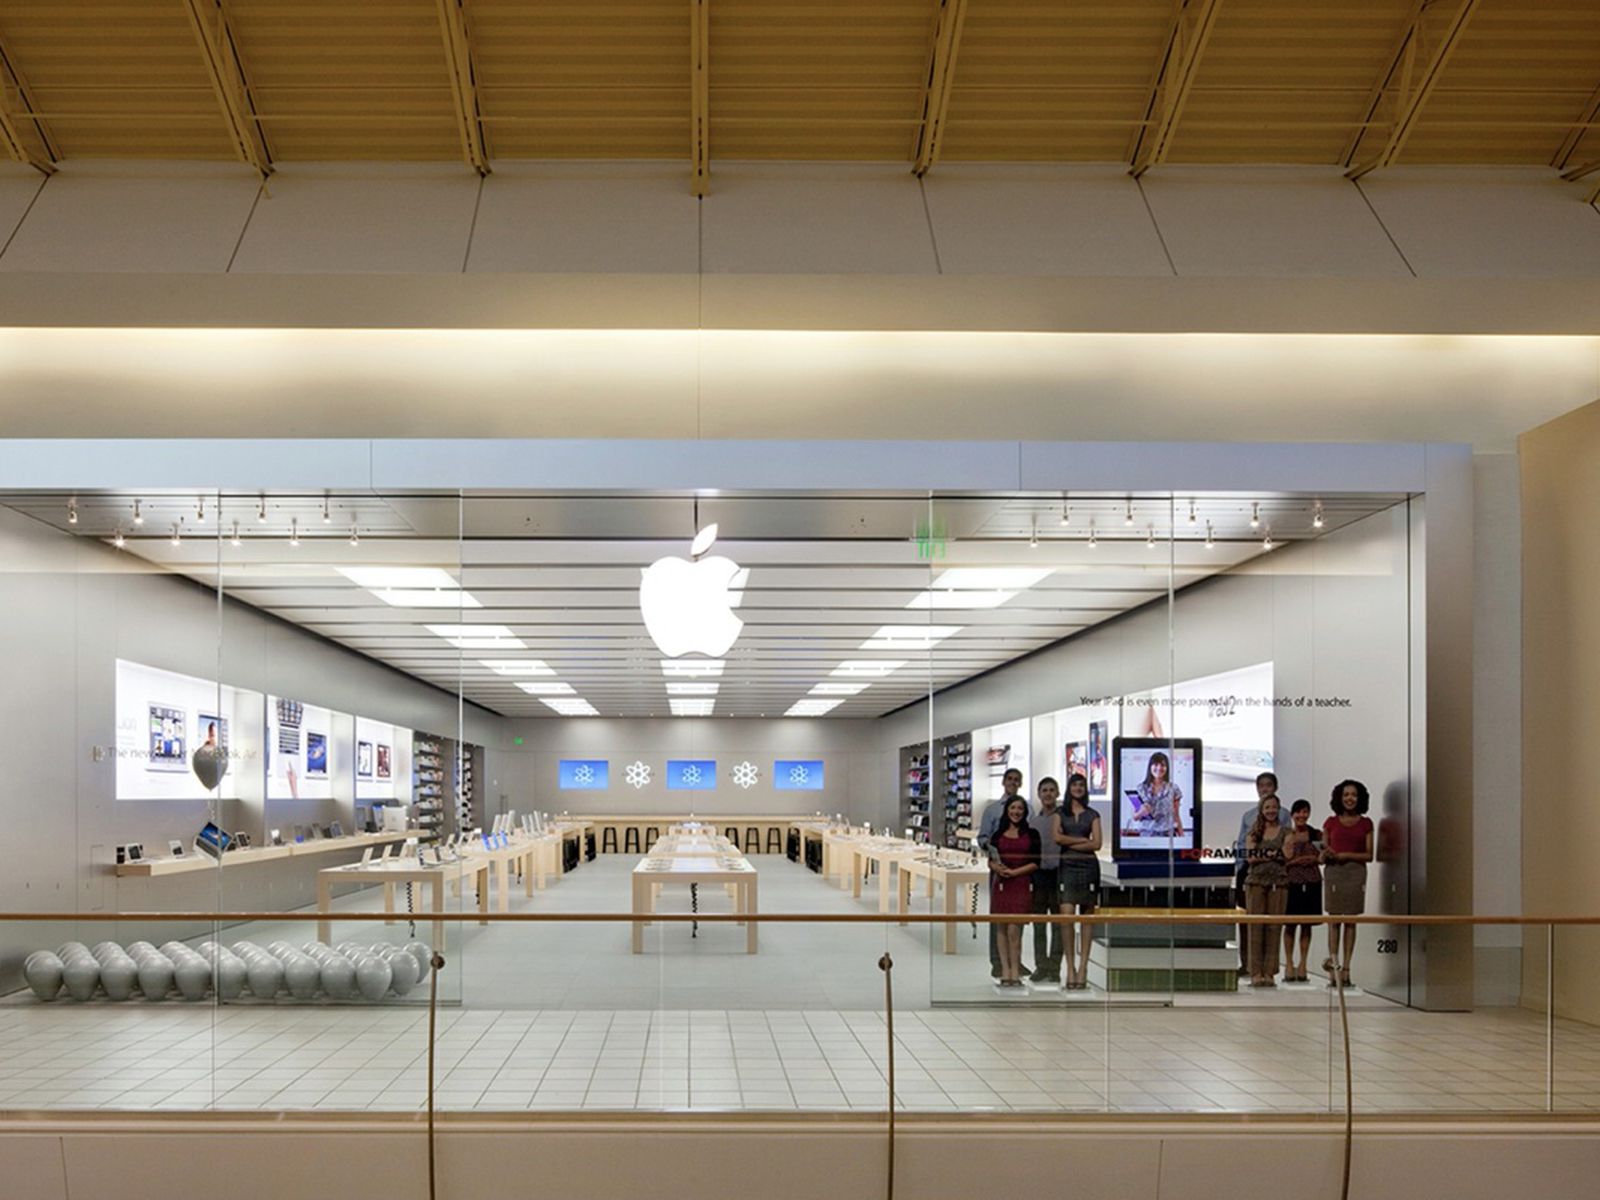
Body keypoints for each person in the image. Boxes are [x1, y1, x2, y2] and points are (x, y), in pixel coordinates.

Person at [1321, 779, 1375, 989]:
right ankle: (1333, 969)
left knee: (1351, 921)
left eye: (1353, 795)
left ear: (1359, 798)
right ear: (1339, 798)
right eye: (1346, 795)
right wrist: (1326, 853)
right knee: (1334, 921)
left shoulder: (1366, 823)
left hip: (1355, 873)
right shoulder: (1330, 822)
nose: (1349, 798)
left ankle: (1347, 969)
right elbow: (1323, 851)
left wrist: (1345, 855)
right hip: (1334, 872)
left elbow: (1370, 855)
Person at [1052, 772, 1102, 990]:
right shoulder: (1059, 813)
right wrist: (1083, 840)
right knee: (1066, 917)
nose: (1078, 788)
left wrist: (1070, 843)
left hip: (1089, 868)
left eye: (1081, 785)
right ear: (1069, 788)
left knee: (1087, 918)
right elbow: (1057, 838)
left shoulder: (1093, 814)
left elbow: (1097, 844)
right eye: (1075, 784)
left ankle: (1083, 968)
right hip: (1067, 869)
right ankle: (1070, 967)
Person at [977, 768, 1028, 978]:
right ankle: (998, 961)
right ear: (1003, 782)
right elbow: (982, 838)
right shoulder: (991, 810)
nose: (1013, 783)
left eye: (1017, 780)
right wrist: (995, 857)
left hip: (1021, 872)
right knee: (998, 916)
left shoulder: (1028, 809)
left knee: (1018, 917)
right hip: (999, 869)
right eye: (1010, 779)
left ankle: (1015, 961)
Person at [989, 797, 1039, 988]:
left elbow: (1036, 862)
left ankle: (1016, 970)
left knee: (1014, 930)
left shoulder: (1032, 834)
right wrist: (996, 867)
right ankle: (1005, 970)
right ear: (1007, 810)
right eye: (1013, 808)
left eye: (1020, 808)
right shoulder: (998, 833)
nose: (1016, 811)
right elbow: (991, 858)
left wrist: (1014, 872)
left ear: (1024, 812)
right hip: (1001, 884)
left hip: (1021, 883)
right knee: (1001, 927)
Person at [1233, 772, 1280, 975]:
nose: (1264, 789)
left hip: (1275, 875)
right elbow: (1242, 845)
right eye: (1260, 785)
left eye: (1268, 785)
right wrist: (1240, 869)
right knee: (1247, 920)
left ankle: (1267, 970)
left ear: (1275, 788)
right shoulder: (1248, 816)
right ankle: (1247, 965)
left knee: (1271, 924)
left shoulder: (1284, 814)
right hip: (1248, 872)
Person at [1243, 794, 1288, 987]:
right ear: (1262, 810)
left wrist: (1264, 853)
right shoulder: (1254, 832)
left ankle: (1269, 972)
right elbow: (1250, 857)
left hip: (1279, 883)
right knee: (1255, 927)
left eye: (1274, 807)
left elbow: (1287, 854)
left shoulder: (1287, 831)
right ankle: (1255, 971)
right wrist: (1272, 854)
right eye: (1267, 807)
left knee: (1274, 927)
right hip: (1255, 882)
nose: (1271, 811)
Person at [1281, 799, 1322, 982]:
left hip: (1312, 881)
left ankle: (1303, 964)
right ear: (1292, 814)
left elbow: (1323, 857)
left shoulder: (1316, 834)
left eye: (1305, 812)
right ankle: (1289, 964)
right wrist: (1297, 861)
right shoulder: (1286, 834)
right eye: (1298, 812)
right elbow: (1282, 860)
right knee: (1290, 924)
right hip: (1292, 882)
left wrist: (1314, 859)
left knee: (1307, 924)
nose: (1301, 816)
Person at [1027, 777, 1063, 982]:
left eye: (1052, 790)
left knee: (1058, 924)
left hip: (1059, 875)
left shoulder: (1063, 819)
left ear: (1057, 793)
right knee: (1039, 923)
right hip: (1039, 876)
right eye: (1044, 790)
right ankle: (1041, 966)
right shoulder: (1034, 822)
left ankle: (1055, 967)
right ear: (1039, 794)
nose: (1048, 794)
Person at [1130, 752, 1183, 837]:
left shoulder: (1174, 789)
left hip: (1167, 836)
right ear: (1150, 767)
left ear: (1167, 768)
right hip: (1146, 835)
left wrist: (1182, 838)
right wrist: (1142, 812)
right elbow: (1135, 817)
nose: (1159, 768)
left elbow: (1176, 815)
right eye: (1155, 764)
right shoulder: (1141, 789)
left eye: (1162, 765)